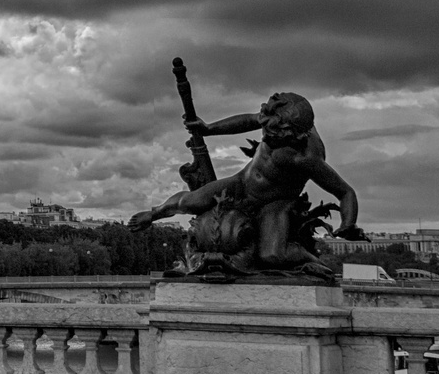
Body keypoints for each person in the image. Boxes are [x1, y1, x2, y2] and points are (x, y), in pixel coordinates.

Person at [129, 92, 361, 273]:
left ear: (294, 135)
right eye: (265, 131)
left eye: (273, 136)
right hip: (242, 183)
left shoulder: (306, 158)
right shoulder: (277, 121)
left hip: (275, 202)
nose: (266, 138)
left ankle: (308, 259)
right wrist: (208, 129)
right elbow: (248, 121)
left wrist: (348, 224)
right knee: (191, 201)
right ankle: (155, 213)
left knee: (272, 256)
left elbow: (345, 192)